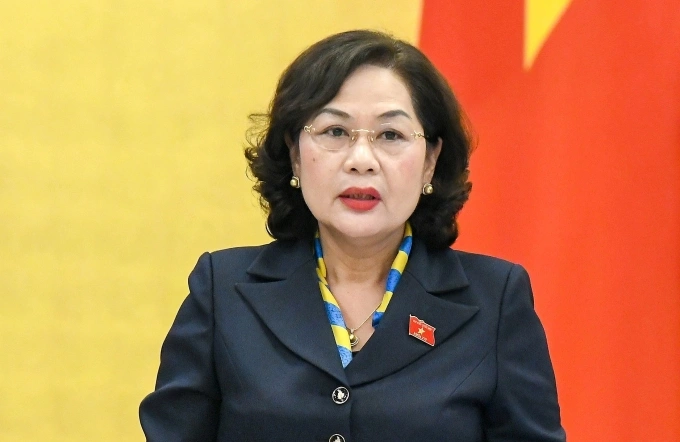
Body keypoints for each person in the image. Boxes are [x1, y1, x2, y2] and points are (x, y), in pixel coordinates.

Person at [139, 30, 566, 442]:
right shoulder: (221, 290)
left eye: (391, 135)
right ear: (295, 155)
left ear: (430, 162)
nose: (361, 160)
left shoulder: (495, 301)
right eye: (335, 132)